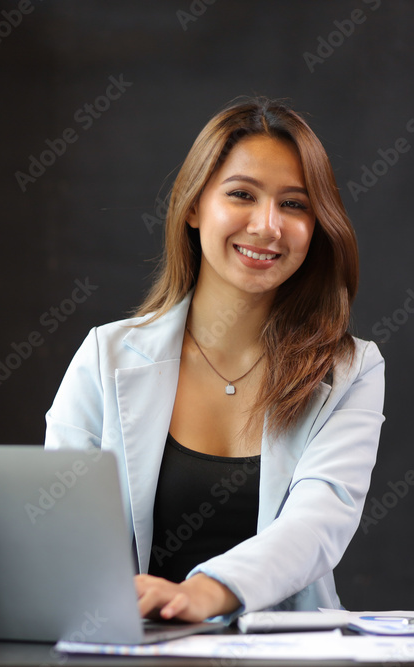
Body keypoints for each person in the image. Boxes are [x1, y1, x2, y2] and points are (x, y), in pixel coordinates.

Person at [45, 97, 385, 623]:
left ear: (318, 225)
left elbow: (317, 525)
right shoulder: (104, 356)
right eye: (242, 194)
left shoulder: (351, 369)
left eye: (294, 204)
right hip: (132, 649)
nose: (267, 226)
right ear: (194, 206)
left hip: (288, 657)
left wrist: (204, 591)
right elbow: (61, 525)